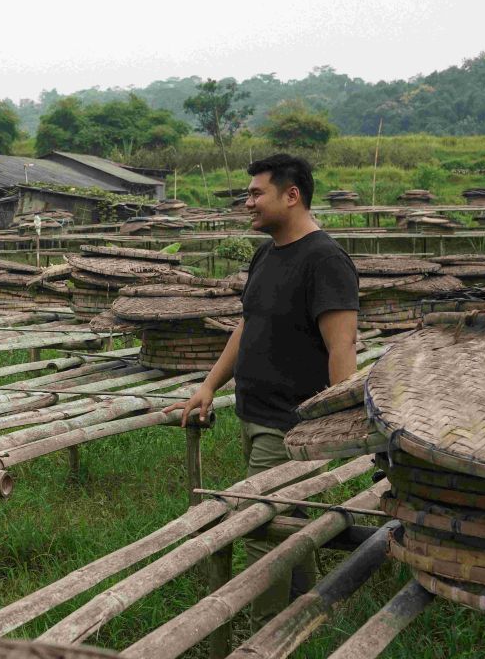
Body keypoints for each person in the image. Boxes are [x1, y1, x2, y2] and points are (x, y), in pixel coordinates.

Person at [164, 153, 359, 625]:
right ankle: (305, 618)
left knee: (257, 527)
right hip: (255, 414)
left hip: (291, 424)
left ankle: (264, 633)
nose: (247, 202)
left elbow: (342, 346)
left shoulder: (325, 260)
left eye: (256, 193)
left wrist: (342, 423)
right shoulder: (266, 253)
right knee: (287, 524)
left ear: (291, 196)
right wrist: (209, 385)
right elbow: (249, 325)